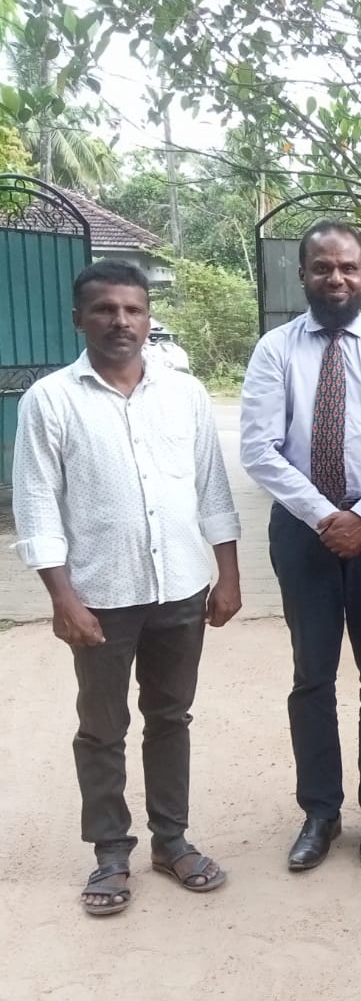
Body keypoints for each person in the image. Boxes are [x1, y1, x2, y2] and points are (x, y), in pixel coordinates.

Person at [12, 259, 242, 916]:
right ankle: (111, 852)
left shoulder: (184, 393)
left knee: (170, 717)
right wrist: (62, 598)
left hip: (180, 588)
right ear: (78, 318)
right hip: (100, 596)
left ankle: (172, 841)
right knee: (102, 726)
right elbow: (36, 503)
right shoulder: (50, 400)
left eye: (133, 309)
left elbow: (212, 488)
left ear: (147, 318)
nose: (121, 321)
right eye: (105, 309)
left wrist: (227, 574)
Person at [241, 220, 361, 871]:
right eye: (322, 267)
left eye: (348, 267)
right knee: (312, 676)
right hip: (303, 531)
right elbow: (258, 448)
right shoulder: (275, 349)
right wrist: (327, 516)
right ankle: (320, 812)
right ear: (303, 274)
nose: (336, 278)